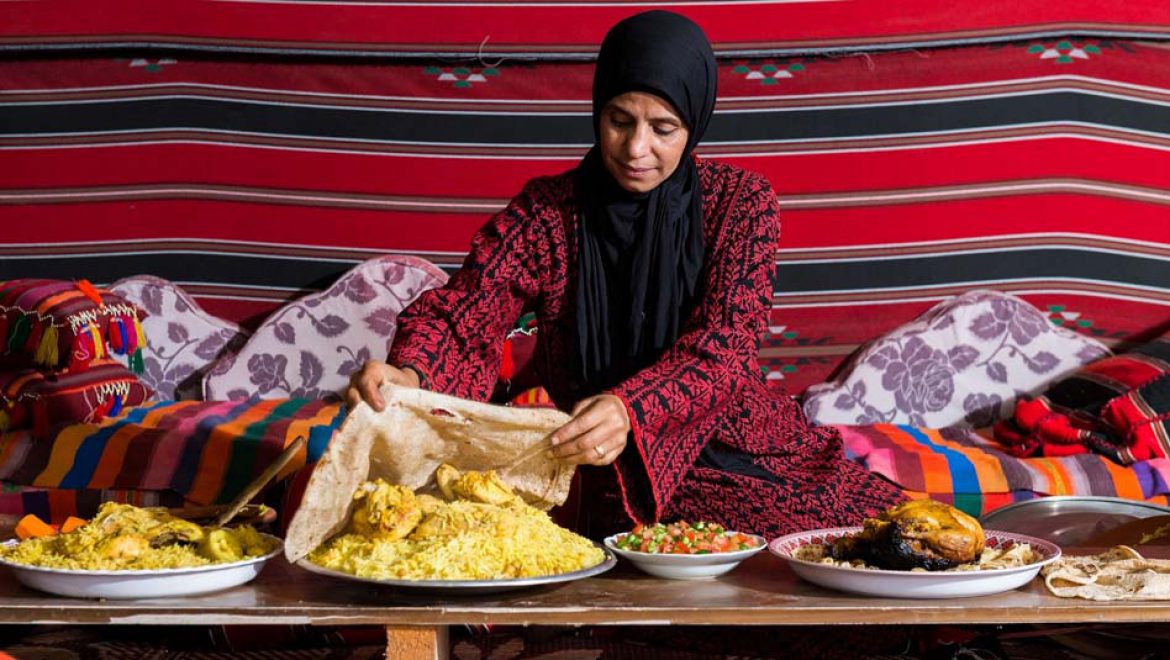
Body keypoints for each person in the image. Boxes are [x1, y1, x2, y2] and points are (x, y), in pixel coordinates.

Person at [347, 10, 904, 539]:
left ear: (696, 122)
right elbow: (467, 309)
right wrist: (412, 374)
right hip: (590, 457)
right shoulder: (548, 212)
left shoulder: (740, 204)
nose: (637, 149)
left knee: (874, 539)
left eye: (664, 128)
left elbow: (724, 346)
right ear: (597, 112)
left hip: (727, 442)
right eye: (620, 121)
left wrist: (631, 410)